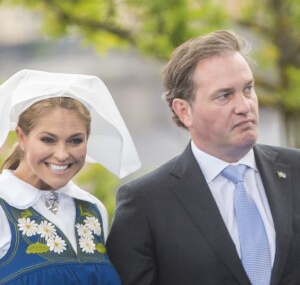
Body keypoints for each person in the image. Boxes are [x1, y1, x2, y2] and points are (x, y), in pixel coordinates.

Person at [106, 30, 300, 285]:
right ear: (184, 111)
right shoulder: (144, 203)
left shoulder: (295, 170)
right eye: (224, 95)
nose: (244, 106)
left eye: (248, 89)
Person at [0, 69, 141, 284]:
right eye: (48, 139)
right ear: (22, 137)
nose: (62, 154)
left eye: (75, 140)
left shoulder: (92, 209)